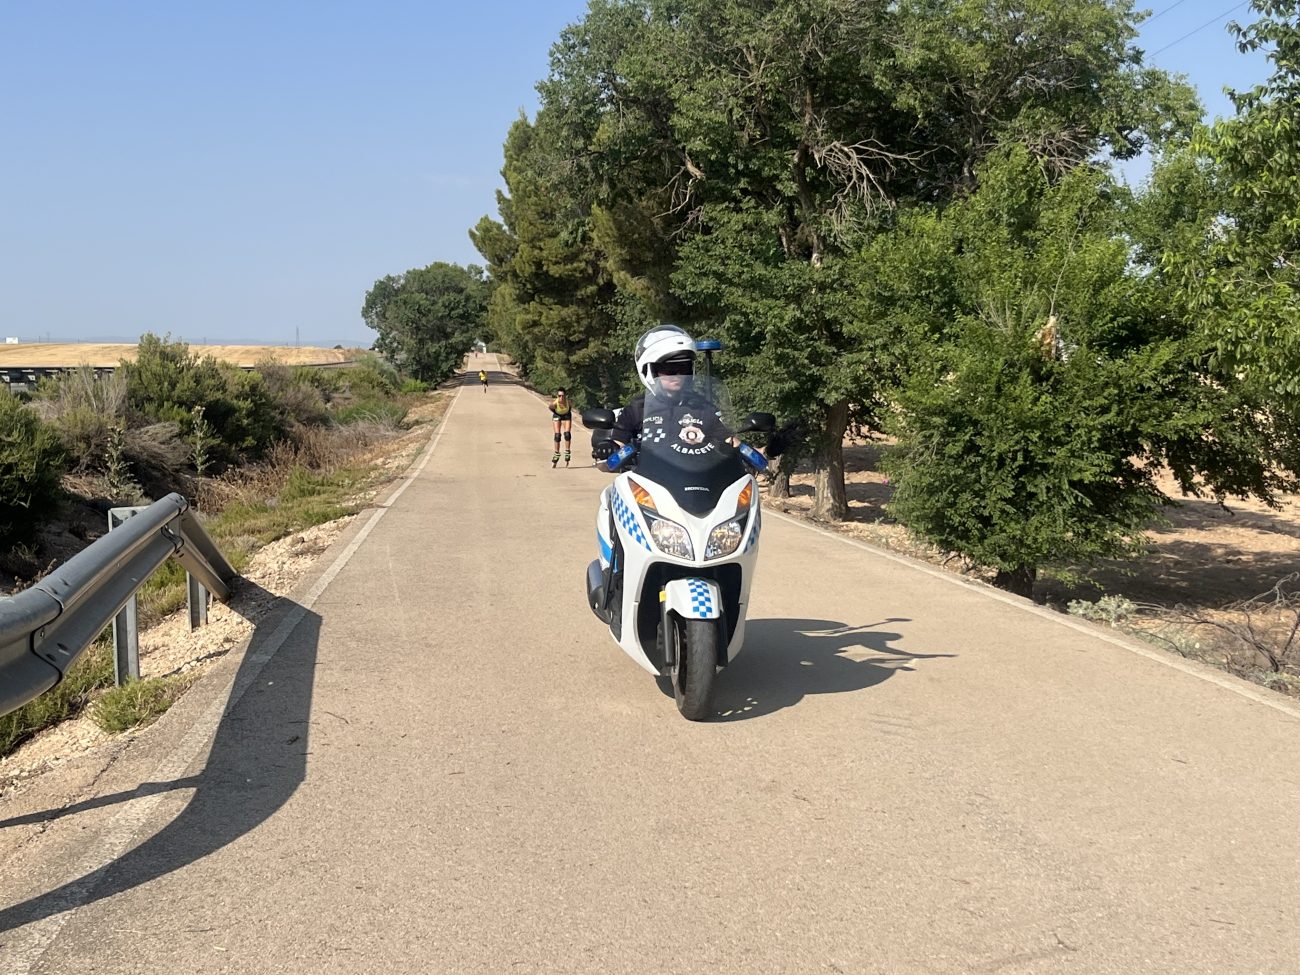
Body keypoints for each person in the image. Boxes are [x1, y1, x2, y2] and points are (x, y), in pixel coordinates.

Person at [593, 325, 729, 462]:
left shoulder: (702, 407)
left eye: (684, 368)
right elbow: (619, 442)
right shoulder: (637, 409)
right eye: (668, 368)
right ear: (648, 370)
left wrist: (740, 449)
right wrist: (609, 447)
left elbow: (729, 441)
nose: (677, 374)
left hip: (696, 473)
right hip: (646, 474)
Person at [549, 387, 573, 468]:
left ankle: (567, 452)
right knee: (557, 435)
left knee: (567, 434)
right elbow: (550, 408)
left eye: (563, 396)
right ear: (557, 396)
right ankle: (556, 453)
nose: (561, 398)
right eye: (559, 396)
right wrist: (556, 413)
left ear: (565, 396)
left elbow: (570, 409)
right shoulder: (555, 404)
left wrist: (567, 416)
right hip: (557, 414)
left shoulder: (568, 402)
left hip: (566, 415)